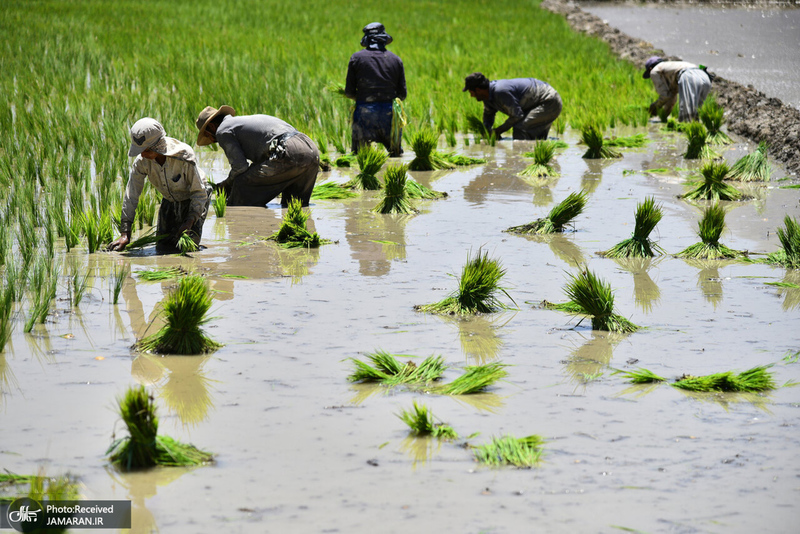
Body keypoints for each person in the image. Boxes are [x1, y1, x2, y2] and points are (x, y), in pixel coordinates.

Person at [108, 118, 210, 253]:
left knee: (187, 248)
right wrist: (125, 234)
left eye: (146, 150)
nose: (142, 154)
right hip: (170, 199)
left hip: (195, 199)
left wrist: (189, 221)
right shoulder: (142, 162)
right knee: (162, 247)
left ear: (158, 146)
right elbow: (131, 195)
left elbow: (198, 192)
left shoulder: (184, 157)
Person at [196, 106, 320, 207]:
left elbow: (240, 168)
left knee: (241, 185)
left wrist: (225, 185)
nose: (213, 141)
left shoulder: (223, 130)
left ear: (211, 127)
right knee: (294, 206)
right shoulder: (242, 122)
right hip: (311, 150)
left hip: (288, 151)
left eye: (208, 137)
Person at [345, 22, 407, 156]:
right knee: (395, 156)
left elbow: (349, 91)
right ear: (384, 39)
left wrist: (364, 98)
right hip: (389, 115)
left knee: (360, 157)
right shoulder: (396, 60)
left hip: (364, 113)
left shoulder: (356, 58)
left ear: (366, 40)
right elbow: (402, 94)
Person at [463, 72, 562, 140]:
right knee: (537, 139)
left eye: (471, 92)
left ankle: (521, 162)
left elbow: (517, 116)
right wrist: (486, 131)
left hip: (549, 102)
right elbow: (488, 114)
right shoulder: (487, 97)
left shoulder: (500, 91)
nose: (471, 95)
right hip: (536, 104)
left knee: (520, 128)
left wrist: (498, 131)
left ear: (478, 90)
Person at [643, 56, 711, 122]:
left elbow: (665, 95)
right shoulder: (672, 68)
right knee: (696, 112)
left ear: (650, 69)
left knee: (686, 115)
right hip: (704, 76)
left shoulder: (654, 71)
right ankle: (695, 130)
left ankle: (686, 130)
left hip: (689, 76)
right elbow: (671, 97)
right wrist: (663, 116)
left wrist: (655, 107)